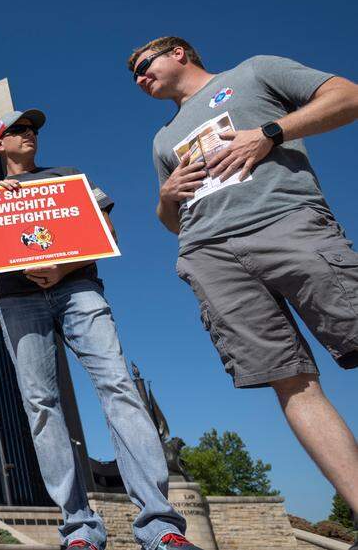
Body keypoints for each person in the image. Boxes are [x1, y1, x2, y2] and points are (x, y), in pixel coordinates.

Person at [130, 36, 358, 534]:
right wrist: (165, 196)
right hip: (210, 254)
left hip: (285, 221)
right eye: (134, 76)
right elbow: (173, 221)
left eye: (144, 65)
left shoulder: (253, 72)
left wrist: (270, 133)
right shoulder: (162, 139)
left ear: (178, 53)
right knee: (291, 380)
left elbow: (348, 96)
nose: (140, 78)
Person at [0, 111, 201, 550]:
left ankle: (159, 525)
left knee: (118, 385)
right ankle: (79, 529)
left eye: (33, 129)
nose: (29, 135)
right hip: (16, 299)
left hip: (79, 289)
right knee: (40, 404)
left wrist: (62, 267)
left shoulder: (69, 176)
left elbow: (107, 231)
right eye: (19, 130)